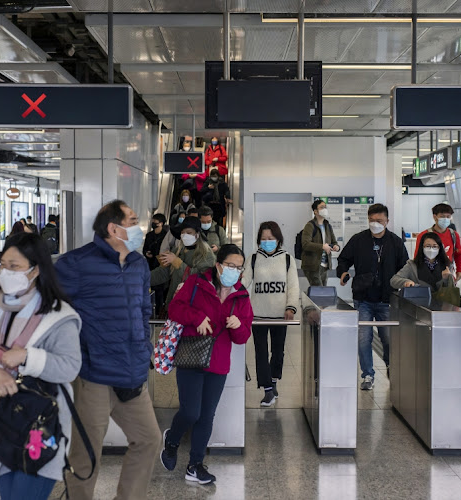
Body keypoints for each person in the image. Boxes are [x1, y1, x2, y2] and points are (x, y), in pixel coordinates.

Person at [55, 200, 160, 500]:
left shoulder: (139, 264)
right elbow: (45, 305)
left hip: (132, 375)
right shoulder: (76, 264)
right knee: (86, 453)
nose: (140, 227)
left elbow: (143, 309)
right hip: (94, 376)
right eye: (133, 220)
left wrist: (144, 349)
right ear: (114, 228)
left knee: (149, 440)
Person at [0, 232, 81, 500]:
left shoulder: (59, 317)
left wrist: (28, 357)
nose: (5, 272)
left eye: (14, 266)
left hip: (43, 426)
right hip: (4, 424)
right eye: (2, 265)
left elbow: (69, 367)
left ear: (35, 270)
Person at [160, 244, 253, 485]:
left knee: (206, 416)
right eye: (230, 265)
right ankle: (172, 439)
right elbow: (174, 308)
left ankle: (195, 465)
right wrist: (197, 317)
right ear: (218, 265)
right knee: (191, 411)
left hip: (218, 363)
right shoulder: (197, 283)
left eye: (239, 267)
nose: (235, 270)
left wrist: (237, 325)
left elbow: (243, 336)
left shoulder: (241, 296)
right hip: (192, 357)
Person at [337, 204, 408, 390]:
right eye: (372, 220)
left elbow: (404, 267)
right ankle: (368, 374)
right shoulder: (359, 240)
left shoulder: (395, 242)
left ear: (387, 221)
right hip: (363, 298)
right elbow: (343, 259)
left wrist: (404, 283)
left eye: (379, 221)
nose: (375, 224)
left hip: (387, 299)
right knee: (363, 339)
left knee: (388, 339)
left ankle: (392, 368)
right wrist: (343, 273)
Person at [241, 221, 300, 407]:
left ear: (278, 239)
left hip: (280, 315)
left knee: (278, 352)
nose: (267, 242)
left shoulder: (287, 259)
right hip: (258, 315)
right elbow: (244, 282)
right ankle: (267, 389)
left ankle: (274, 381)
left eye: (271, 238)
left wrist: (291, 307)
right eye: (264, 239)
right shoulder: (253, 258)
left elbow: (293, 286)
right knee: (260, 352)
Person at [151, 216, 216, 311]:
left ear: (197, 234)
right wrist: (142, 279)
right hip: (174, 303)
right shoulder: (177, 251)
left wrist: (177, 262)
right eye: (182, 233)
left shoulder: (207, 255)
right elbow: (163, 272)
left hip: (195, 308)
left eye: (189, 233)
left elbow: (201, 279)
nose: (185, 235)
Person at [414, 203, 461, 283]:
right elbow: (417, 257)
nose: (445, 219)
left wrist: (460, 270)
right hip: (427, 275)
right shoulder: (424, 235)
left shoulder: (454, 235)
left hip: (448, 274)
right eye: (442, 216)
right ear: (435, 217)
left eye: (448, 217)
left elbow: (459, 254)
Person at [301, 200, 339, 287]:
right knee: (319, 292)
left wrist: (336, 247)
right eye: (322, 207)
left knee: (322, 292)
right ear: (315, 211)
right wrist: (322, 246)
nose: (324, 209)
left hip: (325, 265)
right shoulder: (310, 225)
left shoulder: (327, 225)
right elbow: (305, 244)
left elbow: (334, 242)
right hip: (313, 265)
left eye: (325, 207)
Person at [143, 213, 169, 316]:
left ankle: (158, 313)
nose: (153, 224)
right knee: (150, 290)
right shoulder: (149, 235)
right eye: (152, 222)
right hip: (150, 265)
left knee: (159, 291)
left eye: (156, 223)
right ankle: (150, 312)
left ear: (161, 223)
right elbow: (145, 248)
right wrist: (146, 253)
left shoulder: (166, 236)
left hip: (160, 265)